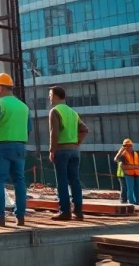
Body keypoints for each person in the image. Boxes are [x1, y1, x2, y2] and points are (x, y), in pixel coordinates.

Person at [0, 73, 31, 227]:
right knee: (19, 181)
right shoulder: (24, 107)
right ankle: (20, 216)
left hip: (2, 146)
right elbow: (28, 128)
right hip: (20, 146)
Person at [49, 85, 89, 221]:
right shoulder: (73, 113)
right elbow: (84, 129)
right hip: (74, 152)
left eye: (50, 95)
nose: (49, 98)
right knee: (75, 181)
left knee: (62, 181)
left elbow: (54, 133)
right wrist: (77, 143)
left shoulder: (55, 111)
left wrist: (52, 150)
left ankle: (65, 211)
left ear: (55, 96)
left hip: (61, 150)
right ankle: (78, 211)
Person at [115, 138, 139, 206]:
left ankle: (138, 202)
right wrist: (120, 151)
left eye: (129, 145)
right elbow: (116, 159)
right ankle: (130, 202)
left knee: (137, 188)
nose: (128, 147)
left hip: (136, 173)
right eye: (126, 146)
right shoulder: (123, 154)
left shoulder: (135, 154)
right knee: (128, 189)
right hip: (127, 174)